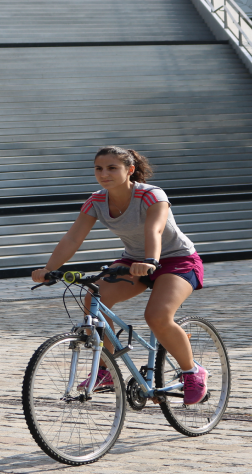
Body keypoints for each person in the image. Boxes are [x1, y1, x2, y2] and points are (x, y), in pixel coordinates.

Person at [31, 146, 208, 404]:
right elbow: (73, 238)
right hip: (134, 260)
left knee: (157, 316)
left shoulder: (151, 195)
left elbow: (155, 230)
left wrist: (150, 261)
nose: (104, 174)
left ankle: (192, 371)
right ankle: (107, 371)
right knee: (94, 301)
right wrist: (49, 269)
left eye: (112, 168)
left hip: (177, 260)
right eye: (99, 168)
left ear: (130, 170)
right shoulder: (96, 201)